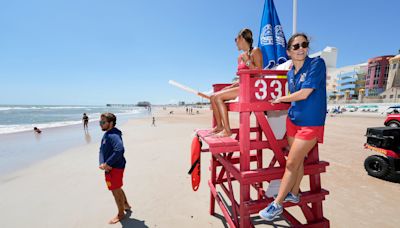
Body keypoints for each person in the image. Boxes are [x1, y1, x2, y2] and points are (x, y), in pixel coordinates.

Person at [258, 33, 327, 221]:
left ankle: (277, 204)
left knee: (290, 163)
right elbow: (295, 95)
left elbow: (304, 94)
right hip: (293, 120)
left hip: (311, 123)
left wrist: (280, 98)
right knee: (297, 161)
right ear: (288, 51)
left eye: (304, 45)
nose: (301, 48)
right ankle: (294, 194)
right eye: (295, 46)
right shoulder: (290, 73)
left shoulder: (316, 64)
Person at [209, 28, 263, 137]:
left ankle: (227, 130)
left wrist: (247, 61)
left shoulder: (255, 51)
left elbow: (259, 73)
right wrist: (230, 87)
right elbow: (241, 78)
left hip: (253, 87)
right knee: (213, 97)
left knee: (218, 97)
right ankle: (220, 126)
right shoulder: (239, 57)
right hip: (243, 86)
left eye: (235, 39)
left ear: (241, 38)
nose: (235, 43)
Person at [98, 113, 131, 224]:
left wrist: (108, 163)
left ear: (111, 123)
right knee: (117, 187)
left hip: (115, 168)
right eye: (100, 122)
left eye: (103, 122)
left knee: (115, 190)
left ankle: (121, 214)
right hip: (110, 167)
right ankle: (126, 204)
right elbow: (101, 150)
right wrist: (102, 162)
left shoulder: (114, 135)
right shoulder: (107, 134)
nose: (100, 124)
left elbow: (120, 150)